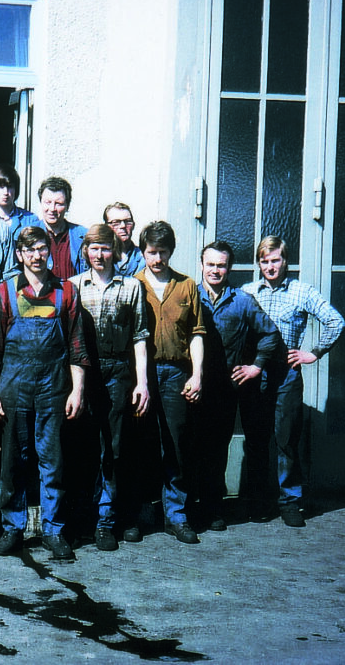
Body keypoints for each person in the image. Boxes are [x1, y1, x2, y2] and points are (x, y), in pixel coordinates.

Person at [0, 226, 89, 561]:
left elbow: (77, 348)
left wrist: (77, 391)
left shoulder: (66, 291)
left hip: (53, 388)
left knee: (52, 461)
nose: (37, 255)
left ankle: (53, 531)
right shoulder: (6, 291)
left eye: (42, 248)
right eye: (29, 250)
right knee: (13, 461)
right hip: (14, 387)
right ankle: (12, 529)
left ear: (49, 251)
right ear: (19, 254)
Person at [242, 236, 345, 527]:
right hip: (256, 374)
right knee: (256, 440)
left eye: (275, 260)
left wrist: (314, 352)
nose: (270, 267)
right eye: (264, 261)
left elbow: (335, 321)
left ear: (285, 261)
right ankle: (258, 501)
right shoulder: (247, 293)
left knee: (286, 440)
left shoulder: (302, 292)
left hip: (286, 375)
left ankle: (290, 502)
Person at [68, 224, 150, 551]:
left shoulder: (131, 287)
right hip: (84, 372)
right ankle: (81, 518)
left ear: (114, 251)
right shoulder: (74, 286)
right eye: (94, 248)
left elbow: (140, 337)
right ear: (85, 251)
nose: (99, 255)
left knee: (113, 448)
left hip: (118, 371)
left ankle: (106, 520)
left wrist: (142, 382)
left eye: (105, 248)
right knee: (83, 445)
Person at [196, 241, 282, 531]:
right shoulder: (189, 296)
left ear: (229, 268)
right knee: (192, 447)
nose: (215, 270)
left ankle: (213, 507)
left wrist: (256, 366)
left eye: (221, 265)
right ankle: (189, 507)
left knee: (217, 448)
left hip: (224, 389)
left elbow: (270, 334)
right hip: (192, 385)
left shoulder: (242, 301)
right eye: (211, 264)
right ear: (202, 265)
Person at [132, 221, 204, 545]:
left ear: (171, 251)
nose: (157, 258)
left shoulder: (187, 286)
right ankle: (137, 515)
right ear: (142, 252)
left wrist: (196, 374)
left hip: (176, 372)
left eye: (162, 252)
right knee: (140, 444)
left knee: (175, 444)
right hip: (141, 375)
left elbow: (197, 333)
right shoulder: (133, 285)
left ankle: (176, 515)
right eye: (151, 252)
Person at [0, 163, 42, 282]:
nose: (6, 192)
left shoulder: (30, 220)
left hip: (21, 282)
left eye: (10, 187)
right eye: (1, 187)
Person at [38, 176, 88, 280]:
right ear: (41, 203)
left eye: (58, 204)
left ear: (67, 206)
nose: (52, 209)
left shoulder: (83, 236)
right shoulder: (29, 234)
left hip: (74, 290)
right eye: (48, 202)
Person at [105, 202, 145, 276]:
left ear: (133, 225)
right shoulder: (100, 256)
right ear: (106, 227)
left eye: (127, 221)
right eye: (116, 222)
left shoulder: (144, 257)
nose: (123, 226)